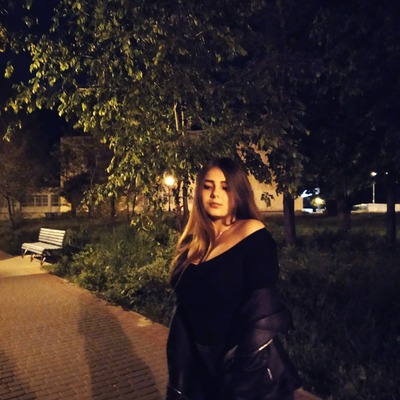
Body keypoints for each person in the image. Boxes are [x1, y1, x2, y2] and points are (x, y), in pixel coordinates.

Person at [166, 157, 302, 400]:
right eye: (208, 186)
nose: (215, 194)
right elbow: (185, 310)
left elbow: (263, 314)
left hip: (247, 368)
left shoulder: (251, 233)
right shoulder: (193, 244)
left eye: (225, 187)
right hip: (200, 366)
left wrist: (240, 378)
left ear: (238, 192)